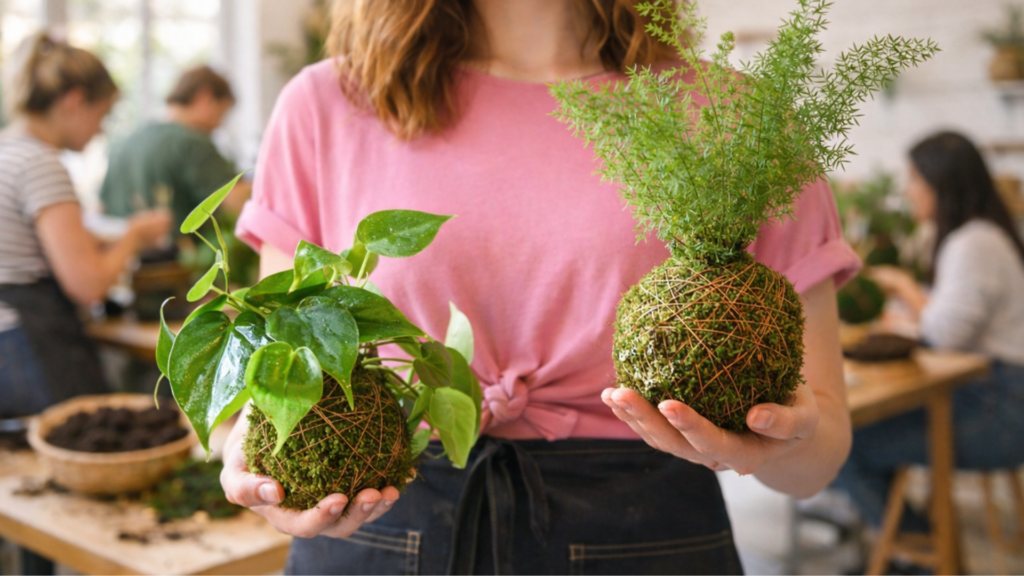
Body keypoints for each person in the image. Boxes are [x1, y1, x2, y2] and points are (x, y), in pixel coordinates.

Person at [221, 1, 860, 573]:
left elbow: (820, 456)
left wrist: (773, 441)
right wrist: (256, 461)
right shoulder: (329, 103)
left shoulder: (740, 124)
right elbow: (279, 377)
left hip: (646, 537)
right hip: (377, 526)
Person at [835, 132, 1024, 530]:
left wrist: (902, 285)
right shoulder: (982, 237)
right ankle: (902, 548)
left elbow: (943, 334)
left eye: (915, 180)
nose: (908, 190)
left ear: (942, 184)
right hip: (997, 395)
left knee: (843, 447)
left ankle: (913, 555)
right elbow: (950, 311)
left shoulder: (973, 243)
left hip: (1002, 407)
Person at [0, 33, 171, 418]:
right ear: (74, 101)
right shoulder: (39, 164)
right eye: (102, 114)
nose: (100, 130)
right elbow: (88, 285)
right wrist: (134, 237)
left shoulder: (6, 151)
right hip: (24, 347)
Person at [99, 65, 249, 231]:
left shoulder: (124, 142)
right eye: (222, 113)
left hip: (126, 254)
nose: (219, 125)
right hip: (179, 255)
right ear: (204, 97)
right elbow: (235, 202)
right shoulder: (192, 143)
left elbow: (103, 208)